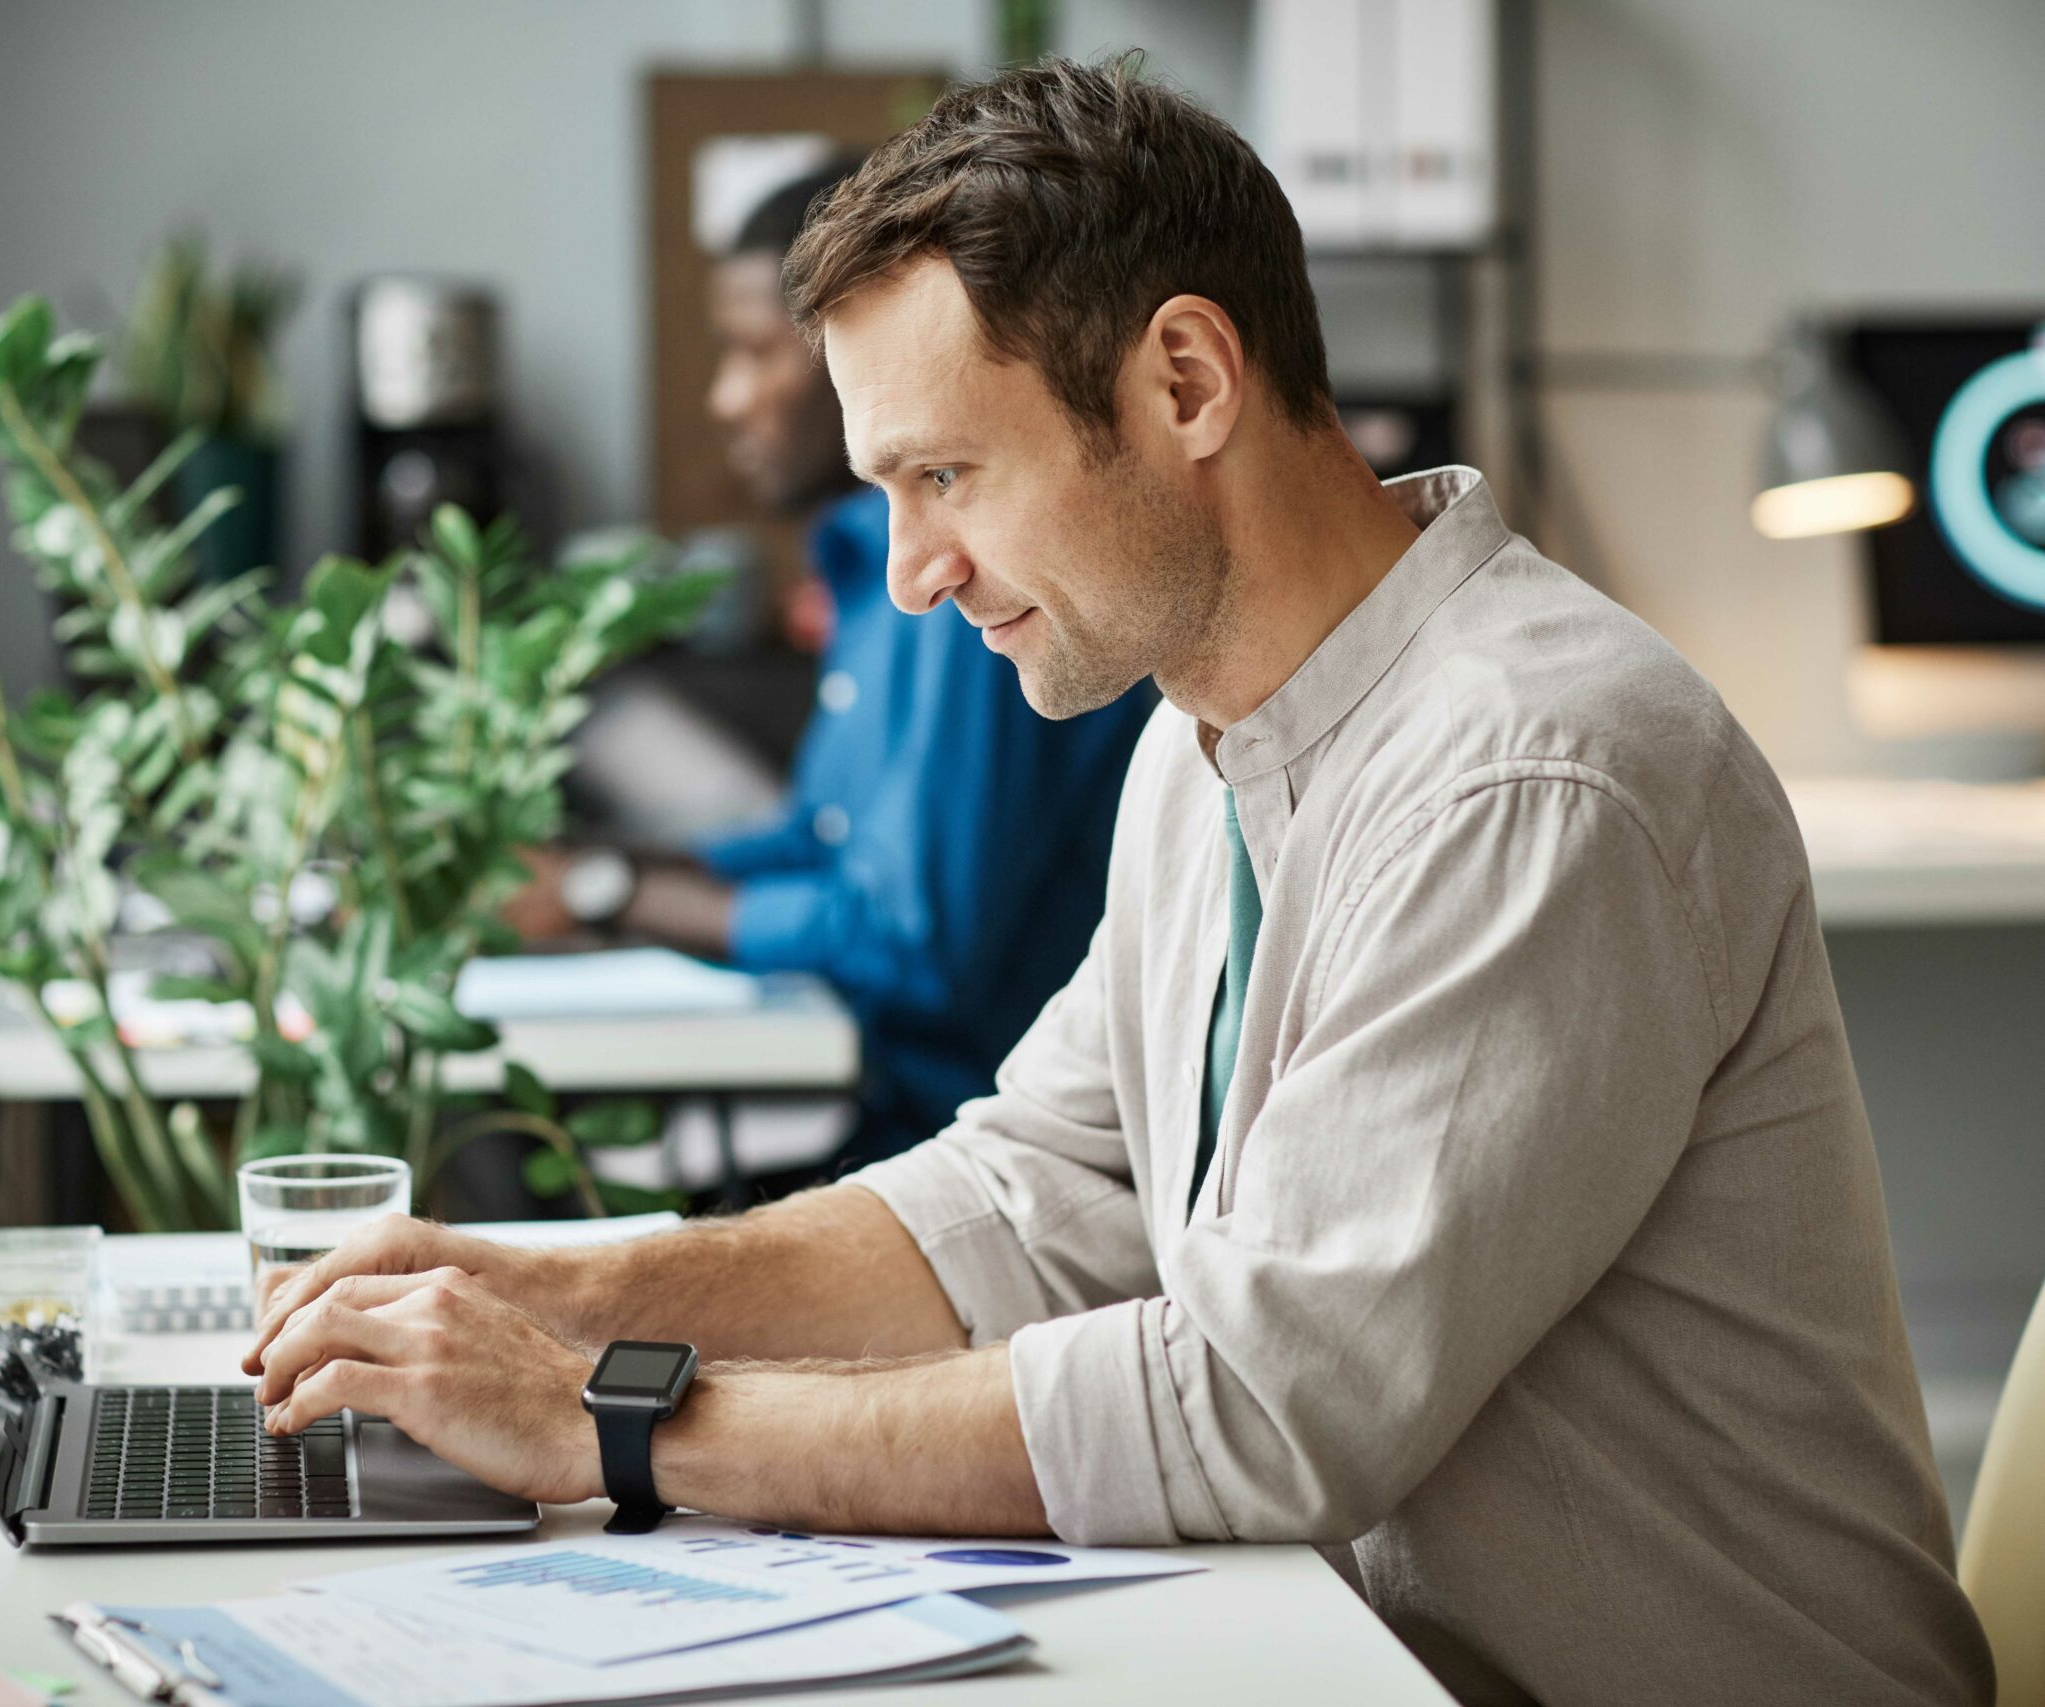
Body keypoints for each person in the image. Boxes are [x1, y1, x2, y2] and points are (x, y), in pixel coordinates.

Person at [247, 58, 1991, 1706]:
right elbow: (1024, 1201)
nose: (915, 575)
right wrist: (549, 1294)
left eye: (947, 476)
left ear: (1184, 382)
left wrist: (609, 1420)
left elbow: (1259, 1406)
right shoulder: (1204, 737)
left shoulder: (1531, 771)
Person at [511, 162, 1153, 1168]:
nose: (727, 399)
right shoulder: (871, 571)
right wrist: (615, 873)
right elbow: (825, 839)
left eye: (755, 353)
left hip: (974, 1148)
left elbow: (911, 942)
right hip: (893, 1122)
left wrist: (606, 894)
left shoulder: (966, 592)